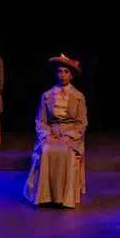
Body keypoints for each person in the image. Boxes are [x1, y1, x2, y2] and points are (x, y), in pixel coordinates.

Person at [23, 53, 87, 208]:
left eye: (66, 72)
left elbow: (81, 122)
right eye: (60, 71)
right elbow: (41, 120)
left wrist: (69, 136)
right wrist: (46, 135)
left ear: (71, 76)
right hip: (51, 132)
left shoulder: (79, 96)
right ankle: (45, 196)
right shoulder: (47, 95)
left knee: (66, 152)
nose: (62, 75)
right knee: (45, 151)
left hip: (70, 135)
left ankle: (65, 198)